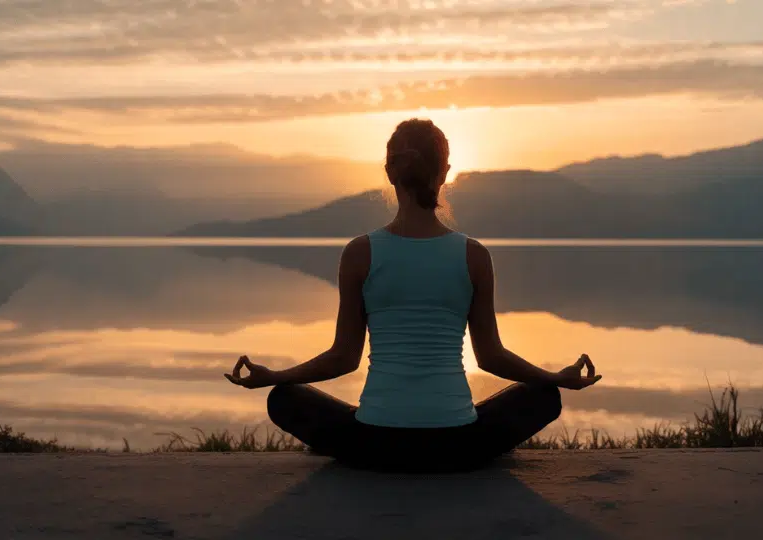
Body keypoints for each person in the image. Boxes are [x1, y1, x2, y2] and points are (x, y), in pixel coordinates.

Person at [225, 118, 602, 472]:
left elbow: (343, 358)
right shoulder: (474, 255)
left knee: (284, 399)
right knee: (544, 397)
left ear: (390, 172)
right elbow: (490, 357)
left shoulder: (360, 252)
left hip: (373, 445)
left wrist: (274, 376)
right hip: (457, 447)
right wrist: (555, 377)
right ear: (445, 174)